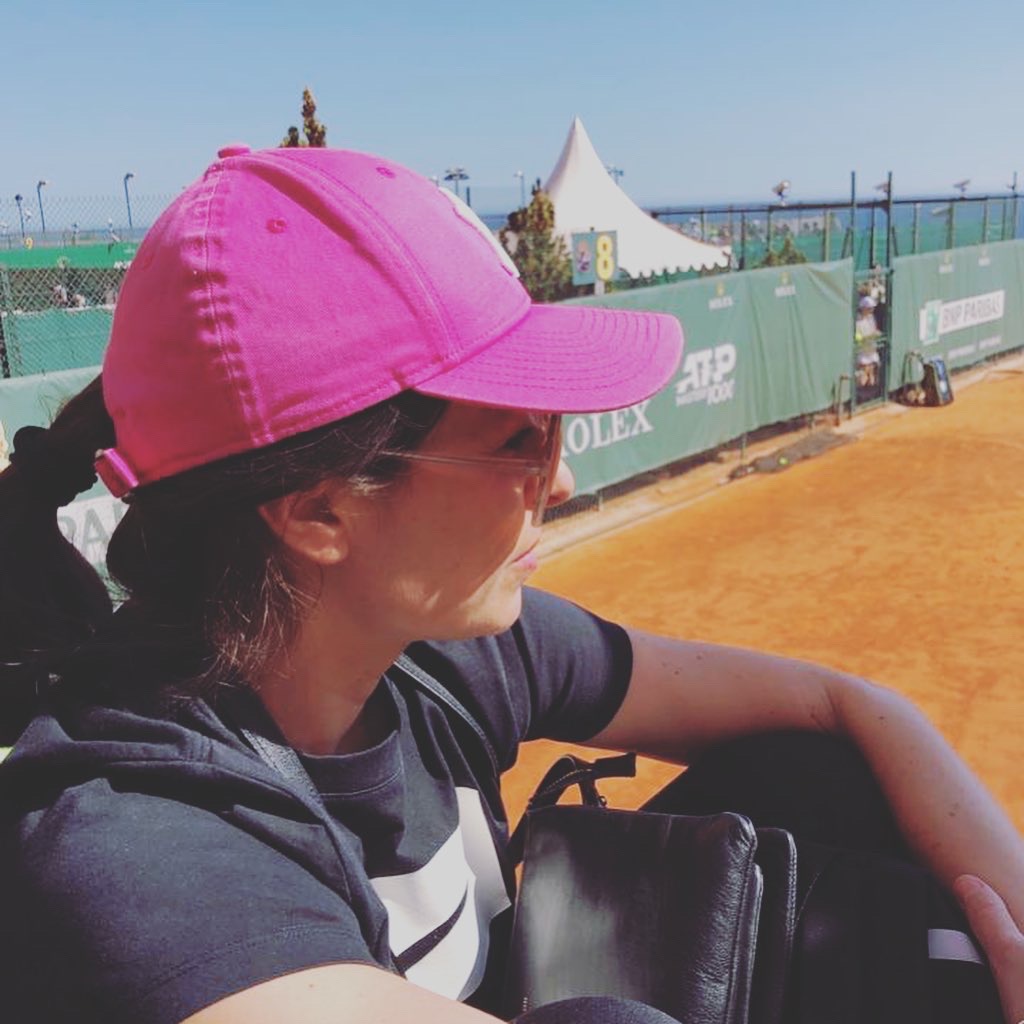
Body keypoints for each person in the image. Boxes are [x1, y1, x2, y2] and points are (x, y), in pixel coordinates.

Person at [0, 144, 1021, 1024]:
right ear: (320, 512)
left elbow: (844, 708)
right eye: (520, 442)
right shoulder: (139, 855)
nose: (561, 480)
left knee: (813, 780)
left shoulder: (438, 654)